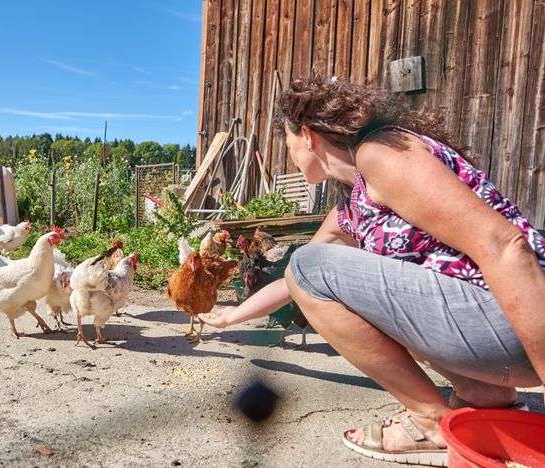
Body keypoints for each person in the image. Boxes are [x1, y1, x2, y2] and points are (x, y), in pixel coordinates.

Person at [199, 75, 545, 466]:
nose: (290, 153)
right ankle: (485, 400)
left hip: (522, 324)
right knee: (309, 267)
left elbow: (507, 247)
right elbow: (299, 282)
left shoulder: (381, 155)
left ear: (309, 135)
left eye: (288, 141)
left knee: (309, 265)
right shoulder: (353, 204)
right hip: (496, 337)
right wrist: (232, 316)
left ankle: (430, 420)